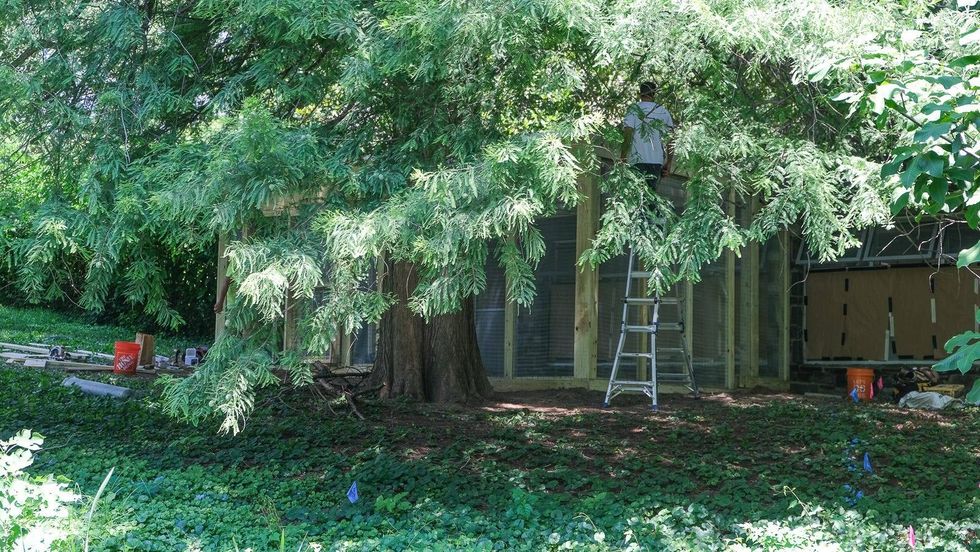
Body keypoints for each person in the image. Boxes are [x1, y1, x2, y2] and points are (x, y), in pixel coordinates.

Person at [621, 81, 674, 191]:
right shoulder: (663, 112)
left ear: (640, 93)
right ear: (654, 94)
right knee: (650, 196)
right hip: (656, 161)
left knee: (637, 197)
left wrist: (623, 156)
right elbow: (671, 139)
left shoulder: (634, 109)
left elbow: (628, 133)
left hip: (636, 161)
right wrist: (669, 163)